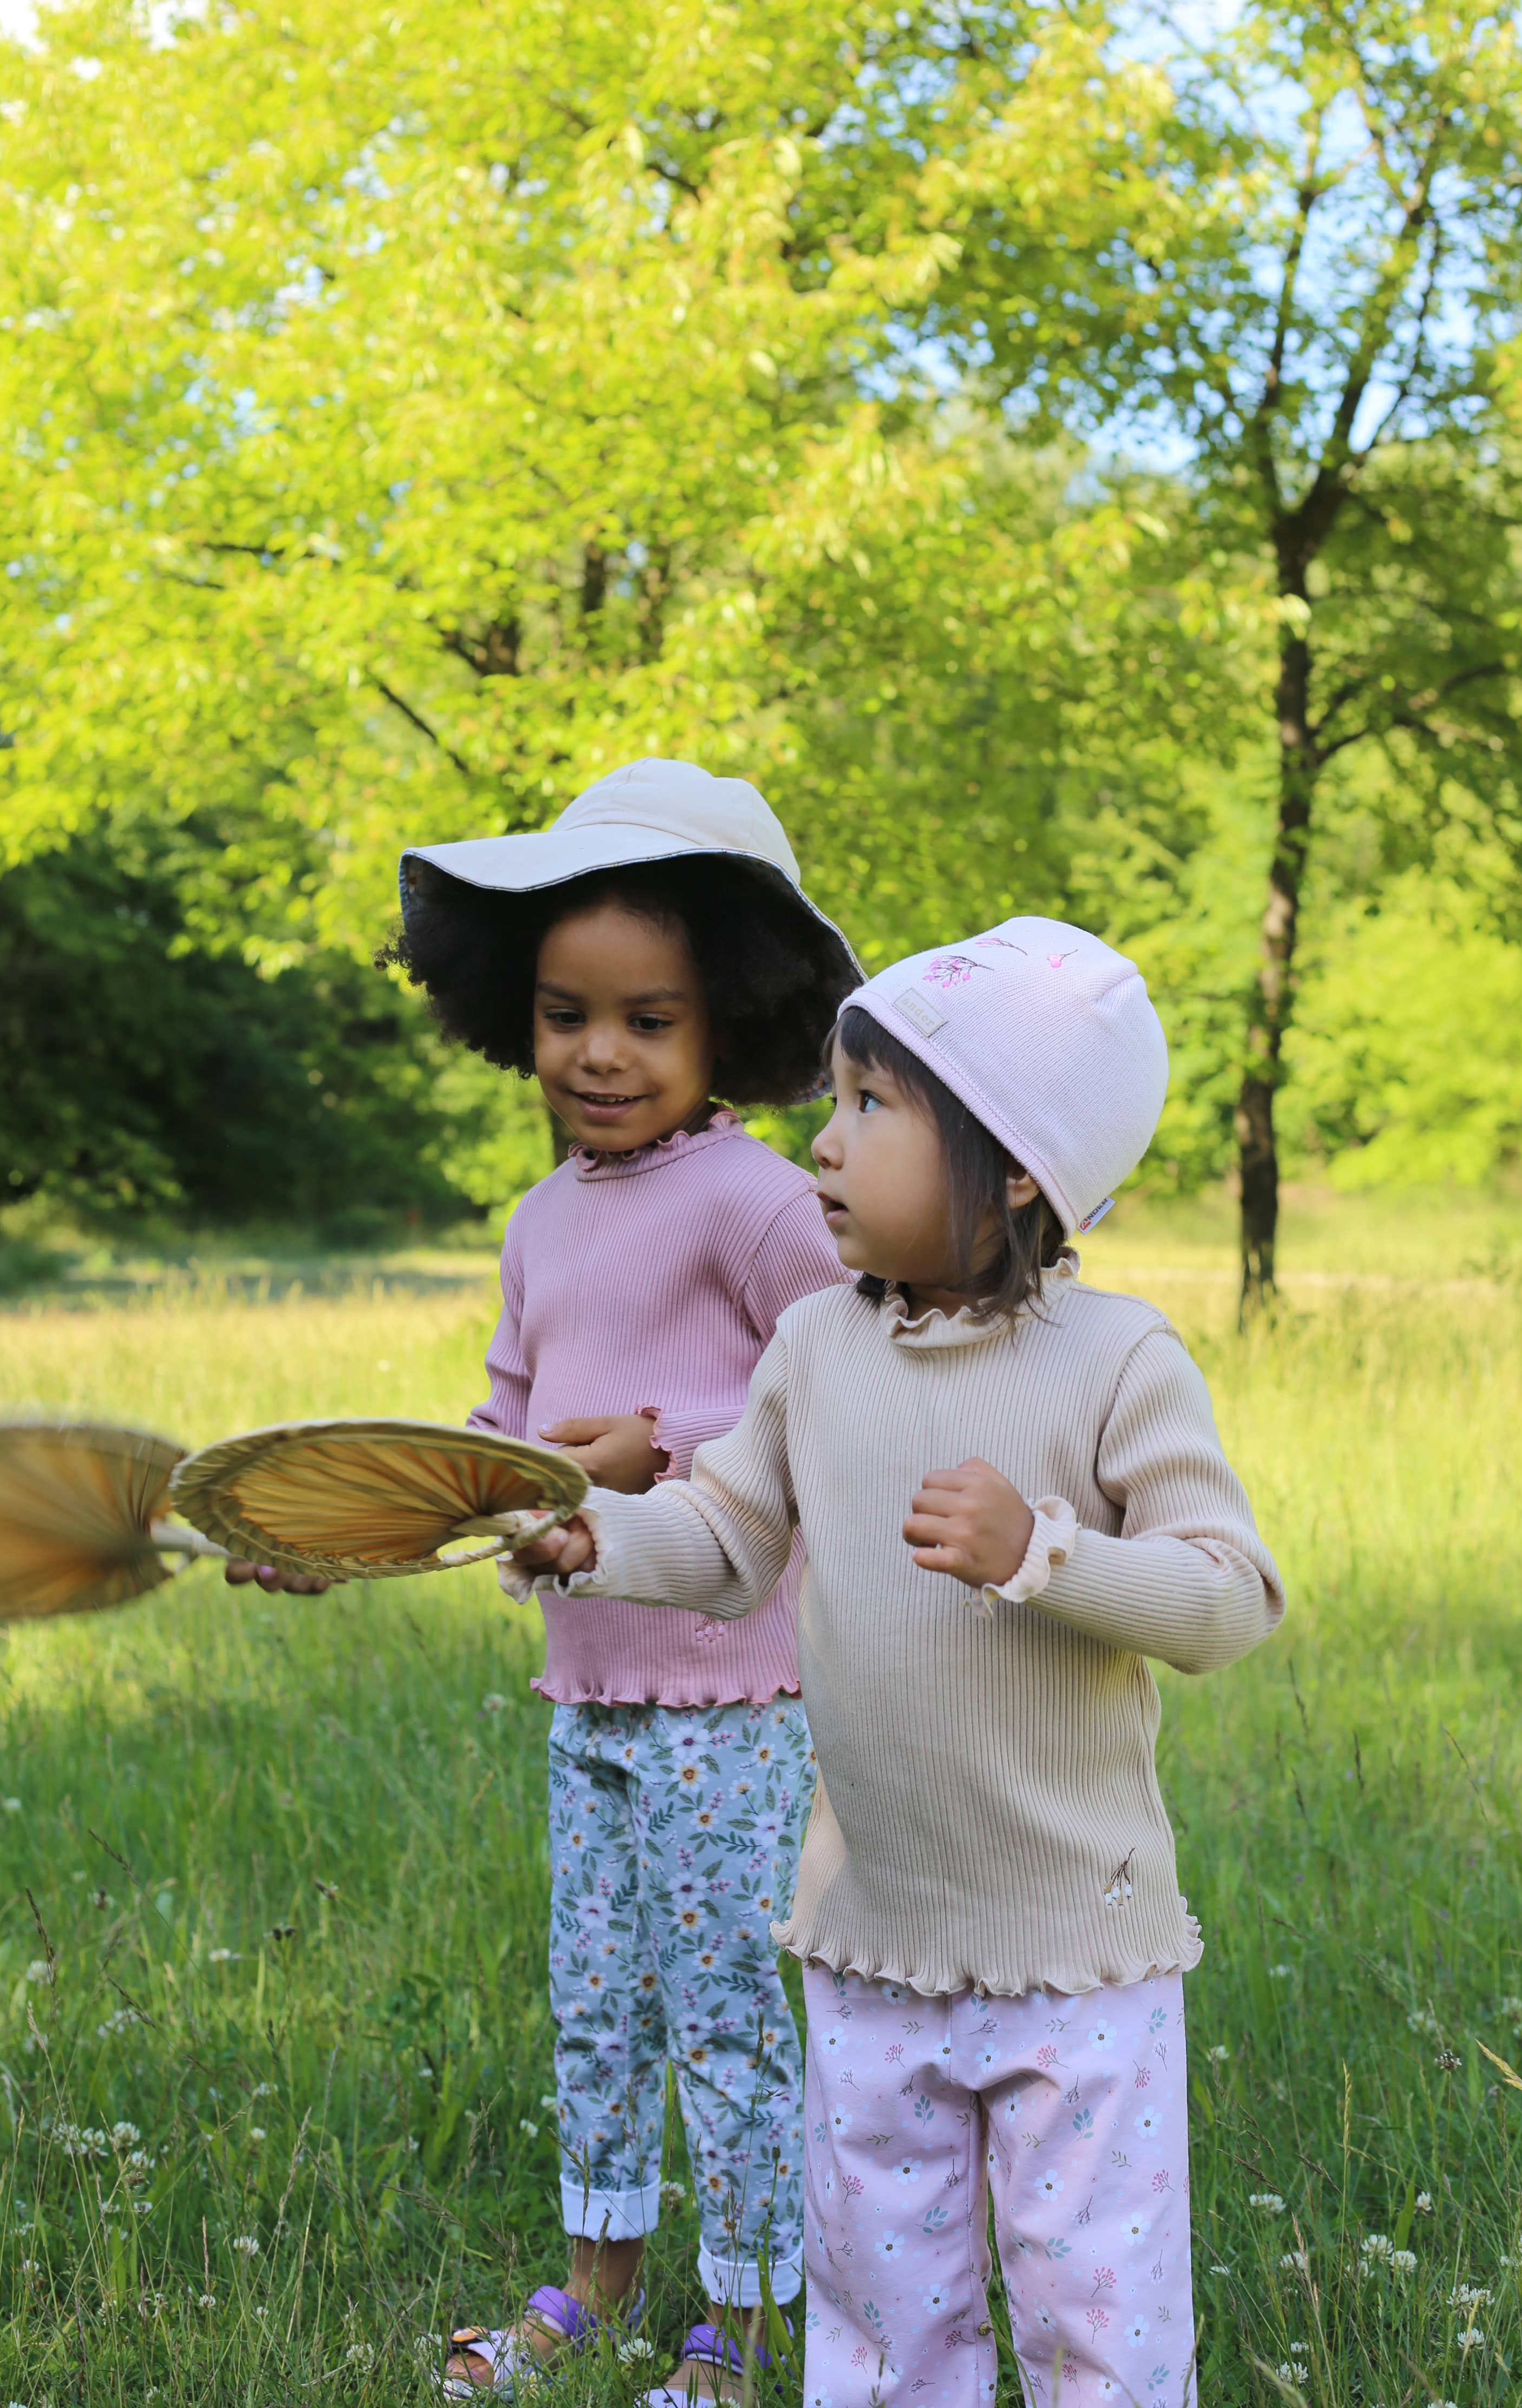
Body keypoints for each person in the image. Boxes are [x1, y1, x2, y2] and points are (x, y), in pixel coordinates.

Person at [513, 918, 1285, 2408]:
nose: (824, 1142)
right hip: (871, 1937)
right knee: (879, 2318)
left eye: (872, 1106)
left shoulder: (1119, 1361)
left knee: (1097, 2317)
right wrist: (595, 1536)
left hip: (1076, 1955)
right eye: (833, 1099)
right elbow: (729, 1534)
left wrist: (1045, 1554)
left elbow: (1227, 1598)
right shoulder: (816, 1347)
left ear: (1015, 1167)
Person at [391, 760, 860, 2401]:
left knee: (725, 2008)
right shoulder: (539, 1220)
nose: (601, 1053)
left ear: (730, 1016)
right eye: (565, 1015)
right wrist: (354, 1520)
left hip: (734, 1692)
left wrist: (659, 1444)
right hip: (585, 1687)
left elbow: (844, 1393)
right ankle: (595, 2283)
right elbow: (500, 1437)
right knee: (595, 2001)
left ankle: (749, 2320)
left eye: (649, 1021)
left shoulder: (759, 1201)